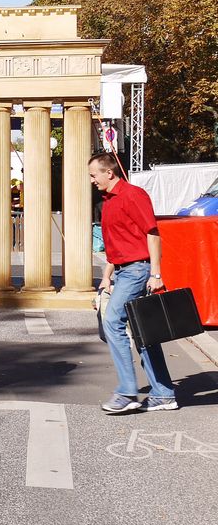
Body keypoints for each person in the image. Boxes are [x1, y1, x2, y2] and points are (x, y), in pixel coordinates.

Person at [90, 152, 177, 413]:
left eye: (94, 175)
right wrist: (107, 276)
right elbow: (118, 244)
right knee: (144, 332)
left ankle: (128, 391)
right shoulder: (109, 200)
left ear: (109, 172)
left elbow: (153, 233)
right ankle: (163, 393)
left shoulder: (132, 195)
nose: (92, 180)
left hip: (138, 270)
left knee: (112, 321)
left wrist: (156, 273)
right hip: (125, 270)